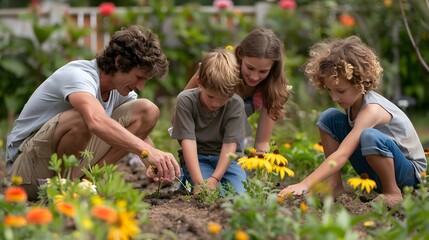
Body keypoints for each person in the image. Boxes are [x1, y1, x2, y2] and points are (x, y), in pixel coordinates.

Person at [6, 25, 181, 200]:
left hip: (61, 166)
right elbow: (95, 120)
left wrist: (153, 163)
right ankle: (66, 189)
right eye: (139, 77)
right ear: (119, 62)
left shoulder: (118, 90)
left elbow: (138, 133)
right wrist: (146, 152)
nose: (141, 86)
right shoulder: (79, 76)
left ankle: (85, 181)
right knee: (83, 118)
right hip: (26, 171)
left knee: (147, 111)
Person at [278, 36, 427, 206]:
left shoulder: (372, 110)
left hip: (410, 176)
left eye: (340, 90)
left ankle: (393, 193)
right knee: (329, 118)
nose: (334, 97)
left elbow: (343, 154)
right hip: (382, 169)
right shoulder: (352, 103)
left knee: (369, 136)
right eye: (329, 90)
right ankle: (334, 185)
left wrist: (304, 184)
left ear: (360, 82)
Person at [184, 28, 290, 154]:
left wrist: (262, 166)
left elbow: (262, 142)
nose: (255, 76)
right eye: (250, 68)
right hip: (199, 138)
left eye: (263, 71)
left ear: (273, 67)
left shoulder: (273, 88)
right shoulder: (220, 68)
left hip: (231, 138)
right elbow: (182, 105)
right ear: (239, 54)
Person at [171, 48, 252, 194]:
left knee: (239, 196)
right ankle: (188, 181)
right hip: (198, 158)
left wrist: (215, 178)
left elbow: (230, 146)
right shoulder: (185, 101)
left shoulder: (235, 104)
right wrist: (199, 183)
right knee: (212, 195)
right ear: (199, 82)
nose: (215, 104)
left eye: (222, 99)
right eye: (210, 96)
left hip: (229, 161)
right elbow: (188, 142)